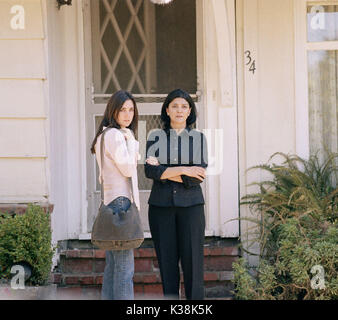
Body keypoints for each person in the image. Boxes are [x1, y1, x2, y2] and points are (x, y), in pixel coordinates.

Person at [144, 88, 208, 300]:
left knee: (193, 267)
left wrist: (165, 170)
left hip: (191, 209)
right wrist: (183, 169)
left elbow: (196, 178)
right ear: (167, 110)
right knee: (167, 266)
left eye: (184, 106)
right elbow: (150, 171)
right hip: (161, 209)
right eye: (174, 106)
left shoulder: (198, 139)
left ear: (190, 111)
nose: (179, 110)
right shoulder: (155, 137)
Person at [90, 90, 140, 300]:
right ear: (113, 111)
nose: (127, 115)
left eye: (131, 110)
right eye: (122, 110)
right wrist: (133, 144)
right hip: (121, 204)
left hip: (111, 202)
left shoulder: (104, 135)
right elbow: (128, 169)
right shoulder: (116, 136)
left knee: (113, 267)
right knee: (124, 270)